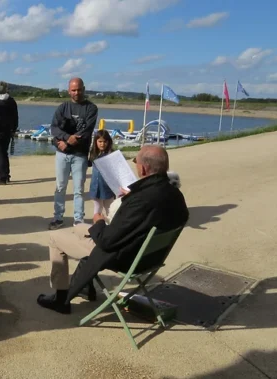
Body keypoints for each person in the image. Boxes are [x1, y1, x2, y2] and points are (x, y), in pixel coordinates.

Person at [37, 145, 189, 314]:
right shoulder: (173, 193)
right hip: (149, 254)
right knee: (79, 228)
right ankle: (86, 287)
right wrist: (128, 201)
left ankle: (61, 299)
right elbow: (148, 217)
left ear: (144, 168)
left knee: (55, 238)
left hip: (123, 255)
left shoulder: (141, 199)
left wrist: (100, 222)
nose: (136, 166)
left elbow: (107, 241)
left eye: (136, 162)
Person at [49, 77, 98, 230]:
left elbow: (86, 130)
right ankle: (58, 218)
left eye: (79, 89)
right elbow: (54, 128)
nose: (77, 92)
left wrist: (68, 141)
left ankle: (78, 219)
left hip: (80, 155)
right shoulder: (63, 107)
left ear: (84, 89)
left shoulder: (91, 108)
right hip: (62, 154)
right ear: (69, 90)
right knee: (60, 186)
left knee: (78, 189)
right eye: (73, 90)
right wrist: (63, 139)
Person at [88, 130, 115, 216]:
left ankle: (110, 227)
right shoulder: (93, 153)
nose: (102, 144)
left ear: (108, 142)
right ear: (96, 141)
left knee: (110, 209)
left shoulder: (112, 154)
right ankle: (97, 226)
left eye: (105, 141)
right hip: (95, 186)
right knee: (97, 208)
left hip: (108, 187)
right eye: (100, 141)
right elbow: (88, 163)